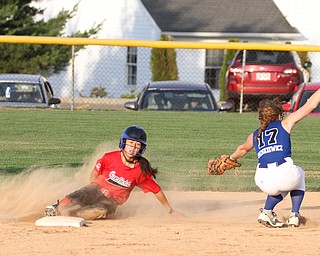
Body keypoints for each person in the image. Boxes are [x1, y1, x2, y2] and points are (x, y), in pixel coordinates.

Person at [226, 89, 320, 228]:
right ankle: (294, 215)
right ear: (278, 115)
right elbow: (311, 104)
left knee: (282, 184)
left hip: (262, 180)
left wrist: (230, 158)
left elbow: (242, 149)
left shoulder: (254, 135)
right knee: (298, 174)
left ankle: (267, 211)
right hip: (284, 173)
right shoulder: (285, 124)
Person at [45, 125, 182, 220]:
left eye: (137, 145)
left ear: (142, 148)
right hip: (96, 189)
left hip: (111, 201)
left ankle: (72, 214)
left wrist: (170, 210)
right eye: (130, 143)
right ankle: (56, 208)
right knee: (77, 196)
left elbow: (157, 191)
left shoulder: (141, 170)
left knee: (100, 211)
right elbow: (95, 173)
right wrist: (92, 188)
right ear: (123, 142)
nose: (133, 148)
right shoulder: (109, 157)